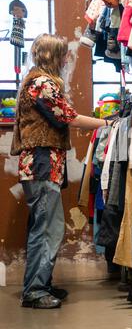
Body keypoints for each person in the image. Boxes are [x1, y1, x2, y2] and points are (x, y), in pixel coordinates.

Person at [11, 33, 110, 309]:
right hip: (42, 162)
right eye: (64, 53)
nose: (68, 58)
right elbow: (68, 116)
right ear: (53, 56)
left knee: (43, 227)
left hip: (41, 162)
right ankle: (35, 291)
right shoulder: (43, 83)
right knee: (48, 229)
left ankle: (40, 284)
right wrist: (106, 123)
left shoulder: (37, 79)